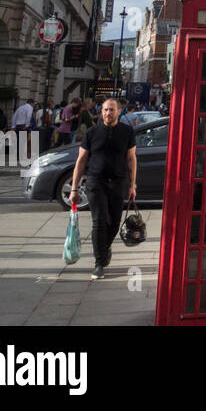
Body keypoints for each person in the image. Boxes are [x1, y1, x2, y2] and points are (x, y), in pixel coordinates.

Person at [69, 98, 136, 279]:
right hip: (95, 181)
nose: (108, 113)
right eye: (106, 110)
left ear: (118, 112)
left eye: (112, 110)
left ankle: (105, 247)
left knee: (114, 222)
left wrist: (133, 184)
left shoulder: (127, 132)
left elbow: (131, 159)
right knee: (98, 221)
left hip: (118, 181)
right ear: (102, 111)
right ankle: (99, 263)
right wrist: (74, 189)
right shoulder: (92, 133)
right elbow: (81, 160)